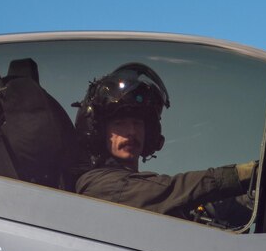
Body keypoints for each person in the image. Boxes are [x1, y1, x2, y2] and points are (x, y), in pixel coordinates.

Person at [71, 61, 255, 219]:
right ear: (99, 131)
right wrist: (246, 173)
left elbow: (203, 210)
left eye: (138, 123)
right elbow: (172, 190)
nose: (132, 131)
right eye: (120, 123)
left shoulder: (149, 193)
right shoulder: (99, 185)